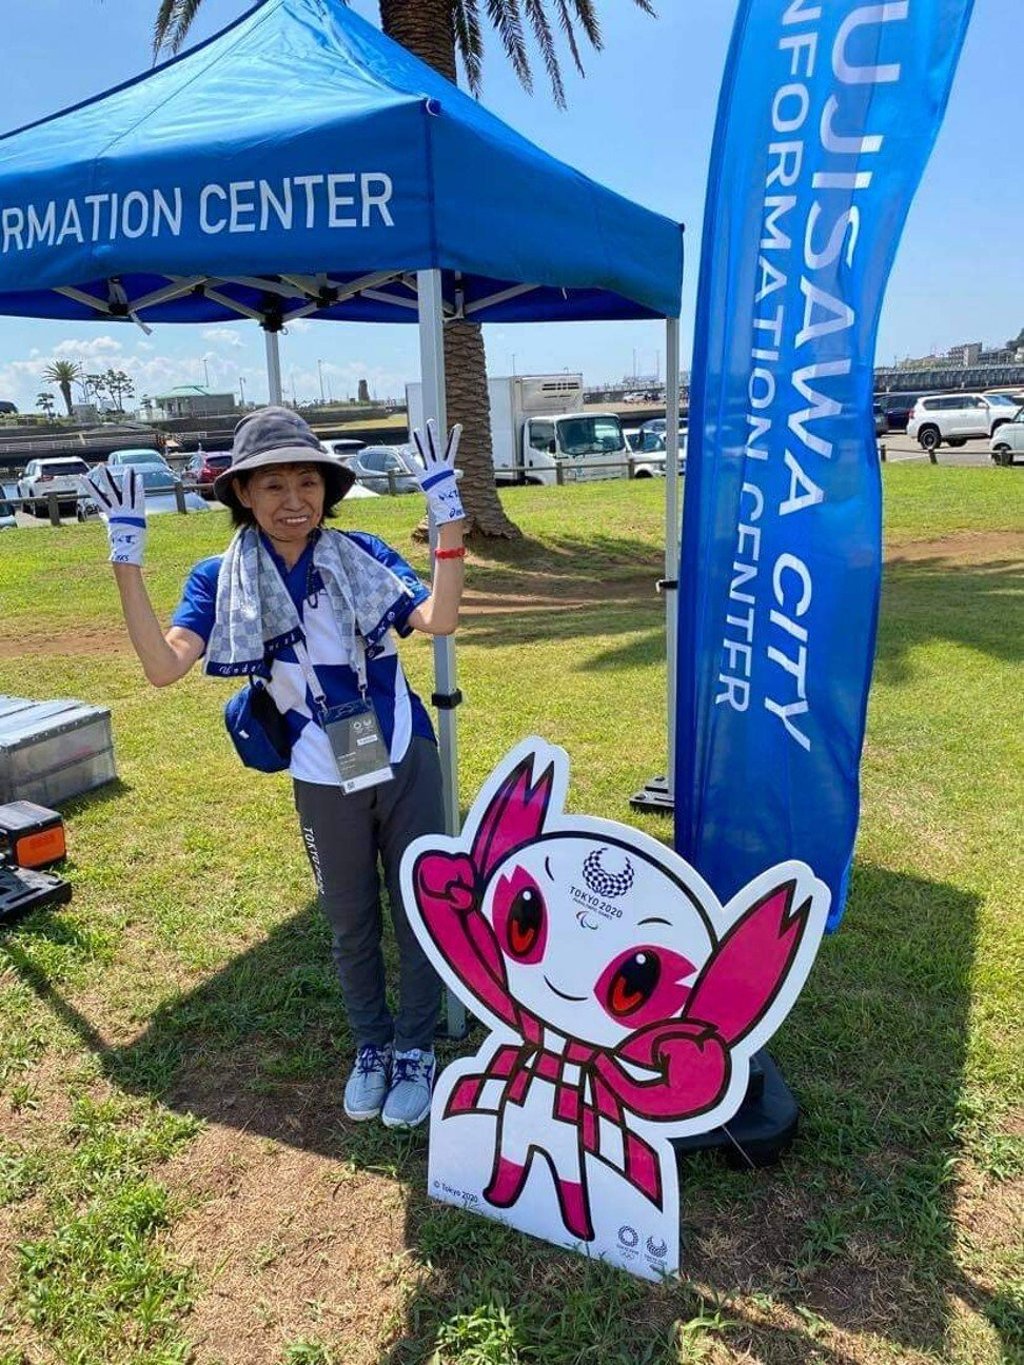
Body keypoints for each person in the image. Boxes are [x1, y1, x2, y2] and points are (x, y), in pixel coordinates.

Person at [88, 406, 467, 1129]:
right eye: (272, 487)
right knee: (349, 919)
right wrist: (126, 563)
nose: (293, 501)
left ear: (327, 489)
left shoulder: (363, 552)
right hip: (322, 774)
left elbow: (439, 619)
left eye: (307, 482)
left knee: (419, 908)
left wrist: (446, 514)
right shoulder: (219, 578)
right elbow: (163, 666)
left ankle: (417, 1048)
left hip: (402, 755)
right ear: (242, 496)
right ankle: (373, 1045)